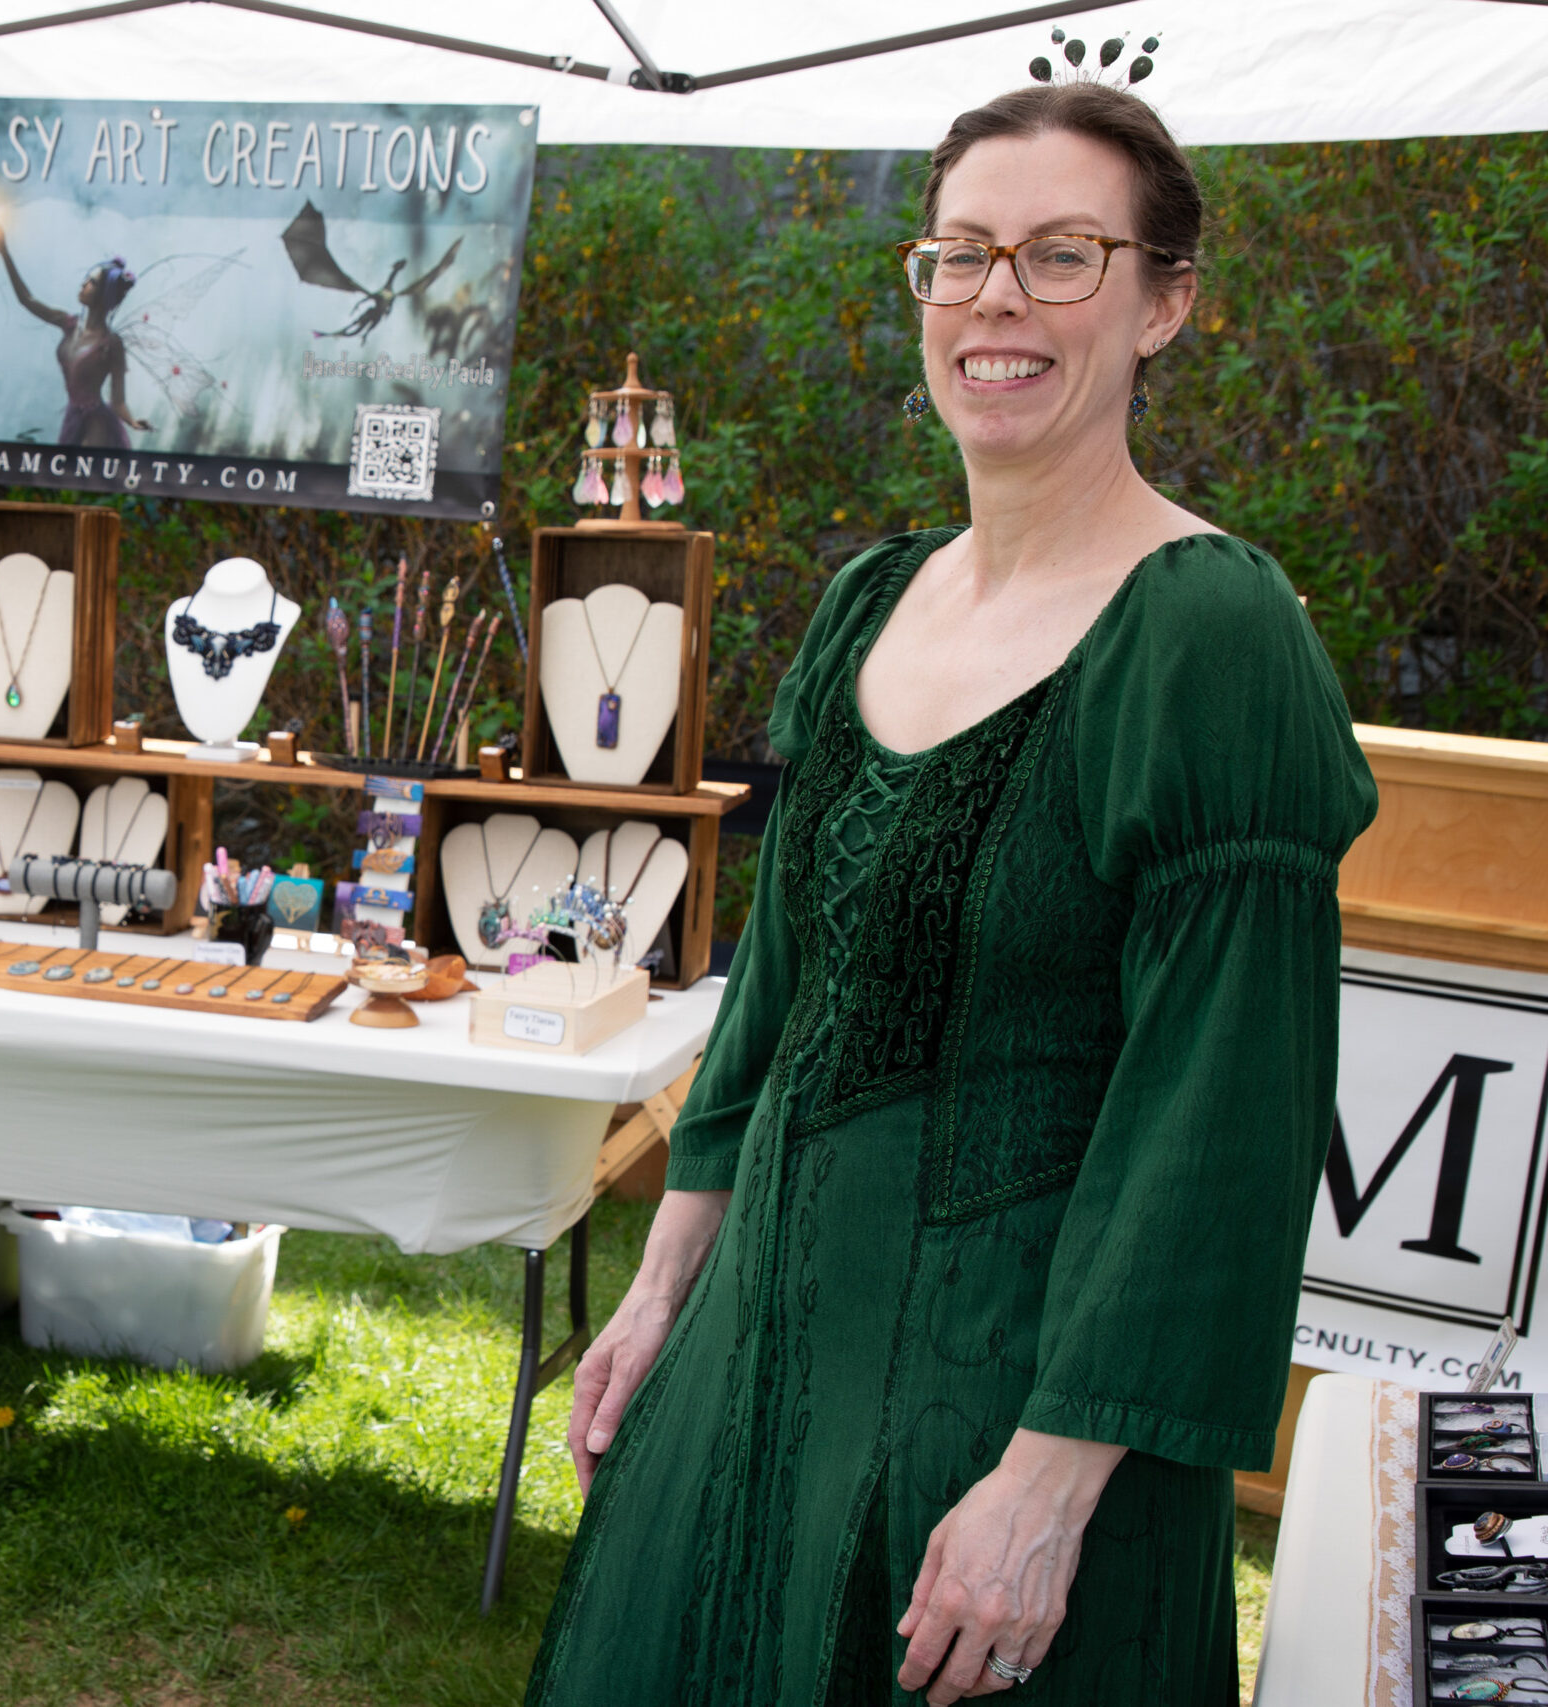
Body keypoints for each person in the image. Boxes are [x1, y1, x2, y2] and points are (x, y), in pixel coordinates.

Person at [525, 81, 1377, 1707]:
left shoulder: (1213, 634)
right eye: (963, 253)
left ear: (1164, 303)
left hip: (1012, 1415)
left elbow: (1225, 1113)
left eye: (1063, 256)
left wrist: (1047, 1484)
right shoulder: (869, 600)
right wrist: (662, 1284)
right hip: (762, 1357)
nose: (998, 299)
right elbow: (783, 995)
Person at [0, 231, 149, 447]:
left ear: (104, 294)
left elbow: (118, 401)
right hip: (72, 418)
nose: (83, 284)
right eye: (87, 279)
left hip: (96, 423)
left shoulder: (111, 343)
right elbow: (27, 300)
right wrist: (4, 253)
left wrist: (132, 422)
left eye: (92, 282)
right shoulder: (69, 325)